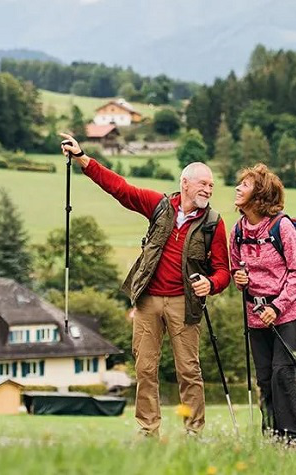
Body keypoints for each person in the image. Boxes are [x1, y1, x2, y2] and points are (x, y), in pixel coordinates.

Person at [59, 133, 231, 437]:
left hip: (184, 303)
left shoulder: (213, 224)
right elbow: (120, 189)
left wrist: (211, 283)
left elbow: (223, 271)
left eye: (211, 185)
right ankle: (147, 430)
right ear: (185, 183)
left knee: (189, 372)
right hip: (147, 300)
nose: (208, 189)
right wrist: (83, 158)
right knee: (145, 369)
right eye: (203, 183)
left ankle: (194, 433)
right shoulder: (159, 206)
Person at [230, 163, 296, 445]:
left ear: (260, 194)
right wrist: (238, 278)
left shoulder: (282, 227)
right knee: (265, 379)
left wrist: (276, 307)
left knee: (283, 375)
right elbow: (236, 271)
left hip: (287, 313)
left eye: (245, 185)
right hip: (255, 315)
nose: (237, 188)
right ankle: (272, 440)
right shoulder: (238, 231)